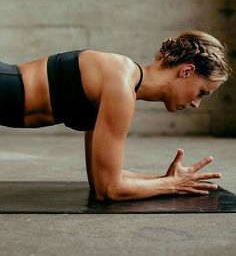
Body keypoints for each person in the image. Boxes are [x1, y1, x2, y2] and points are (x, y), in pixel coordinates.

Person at [0, 30, 232, 201]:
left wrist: (164, 179)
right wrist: (170, 186)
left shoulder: (123, 82)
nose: (196, 104)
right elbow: (108, 190)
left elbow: (100, 178)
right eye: (201, 92)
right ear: (187, 71)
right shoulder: (120, 87)